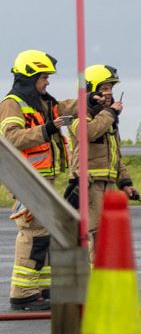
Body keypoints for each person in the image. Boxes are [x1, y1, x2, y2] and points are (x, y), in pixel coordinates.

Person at [5, 50, 58, 302]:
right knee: (33, 233)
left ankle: (40, 290)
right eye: (44, 76)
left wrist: (89, 101)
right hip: (27, 179)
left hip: (41, 180)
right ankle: (23, 292)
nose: (47, 81)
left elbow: (63, 107)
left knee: (44, 233)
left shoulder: (40, 101)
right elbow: (11, 138)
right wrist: (46, 130)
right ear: (30, 76)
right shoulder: (12, 104)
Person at [60, 63, 124, 201]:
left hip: (107, 184)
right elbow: (88, 132)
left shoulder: (107, 117)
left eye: (111, 88)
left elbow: (114, 154)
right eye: (105, 88)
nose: (109, 93)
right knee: (89, 223)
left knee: (103, 223)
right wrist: (111, 112)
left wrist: (125, 182)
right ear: (91, 89)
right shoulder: (77, 113)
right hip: (87, 184)